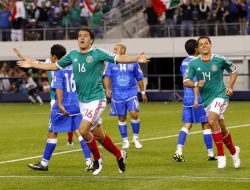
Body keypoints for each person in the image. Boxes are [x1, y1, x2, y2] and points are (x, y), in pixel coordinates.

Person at [15, 27, 150, 175]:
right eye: (79, 36)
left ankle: (97, 160)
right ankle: (119, 155)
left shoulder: (98, 53)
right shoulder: (72, 55)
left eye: (85, 36)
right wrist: (33, 64)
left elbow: (118, 58)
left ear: (91, 40)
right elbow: (54, 66)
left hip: (97, 99)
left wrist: (135, 58)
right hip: (82, 102)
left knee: (83, 130)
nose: (82, 38)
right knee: (99, 136)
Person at [14, 44, 93, 171]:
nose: (49, 58)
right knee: (80, 132)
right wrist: (21, 55)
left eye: (50, 56)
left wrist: (60, 104)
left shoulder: (56, 68)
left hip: (61, 104)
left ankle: (44, 163)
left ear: (55, 58)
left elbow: (58, 87)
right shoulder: (74, 66)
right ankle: (89, 161)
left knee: (52, 132)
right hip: (76, 104)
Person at [183, 36, 240, 169]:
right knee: (222, 128)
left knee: (211, 120)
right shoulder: (194, 64)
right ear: (198, 48)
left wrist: (230, 86)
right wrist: (196, 83)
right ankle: (233, 151)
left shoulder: (220, 60)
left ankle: (221, 156)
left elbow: (234, 70)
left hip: (221, 95)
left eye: (206, 43)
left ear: (210, 45)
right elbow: (186, 81)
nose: (204, 46)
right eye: (201, 44)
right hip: (207, 100)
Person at [173, 39, 216, 162]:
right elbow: (196, 82)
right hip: (199, 99)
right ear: (196, 49)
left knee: (187, 125)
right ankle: (210, 153)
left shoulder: (184, 62)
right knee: (206, 125)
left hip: (187, 98)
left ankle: (178, 150)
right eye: (199, 46)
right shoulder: (197, 62)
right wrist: (197, 98)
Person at [103, 43, 147, 149]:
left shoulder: (133, 62)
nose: (114, 51)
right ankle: (125, 140)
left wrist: (143, 92)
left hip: (131, 93)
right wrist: (107, 88)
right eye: (113, 49)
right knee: (121, 118)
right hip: (117, 95)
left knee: (134, 114)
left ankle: (135, 138)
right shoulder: (110, 63)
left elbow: (139, 78)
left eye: (116, 49)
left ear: (123, 51)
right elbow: (106, 76)